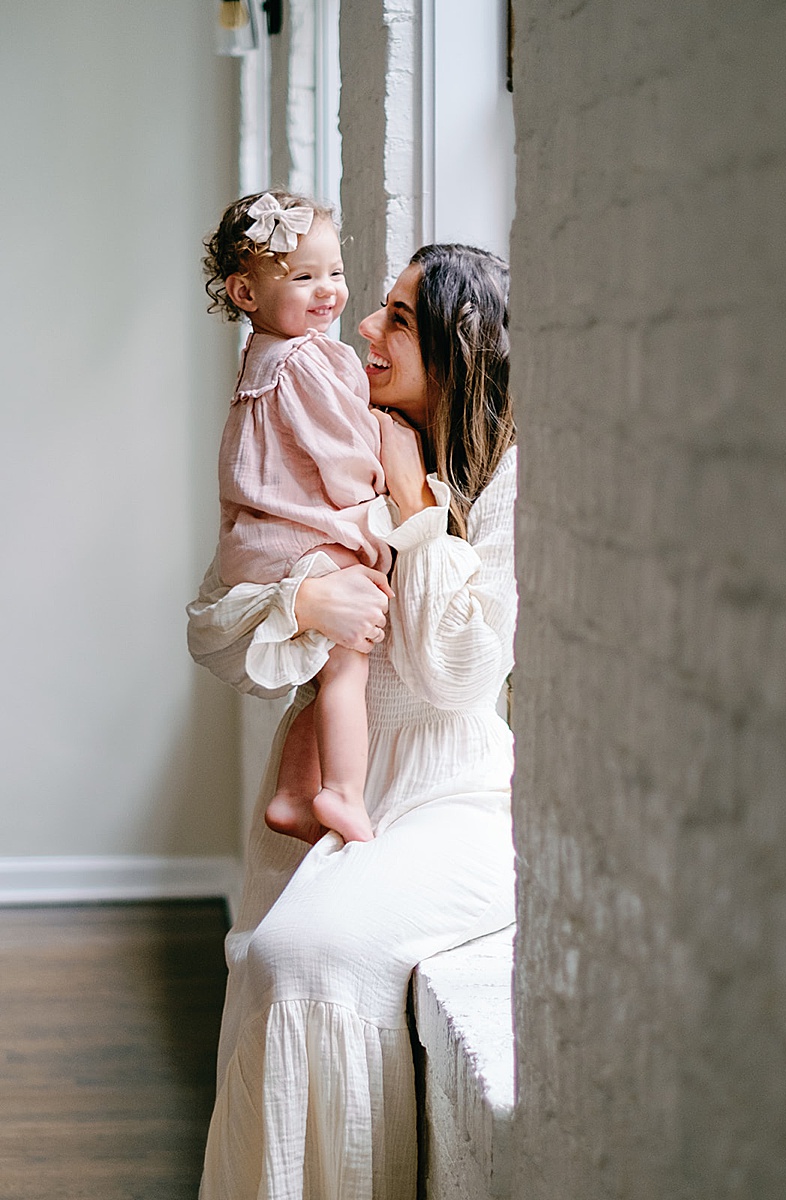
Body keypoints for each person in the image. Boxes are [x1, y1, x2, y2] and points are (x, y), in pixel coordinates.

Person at [187, 242, 517, 1200]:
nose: (365, 328)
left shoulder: (505, 481)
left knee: (303, 957)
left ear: (459, 348)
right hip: (338, 781)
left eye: (400, 319)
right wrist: (304, 607)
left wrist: (414, 497)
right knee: (262, 966)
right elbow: (213, 627)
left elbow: (457, 676)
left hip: (453, 794)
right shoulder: (328, 430)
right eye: (376, 308)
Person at [205, 189, 392, 845]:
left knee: (319, 668)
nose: (328, 292)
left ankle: (290, 792)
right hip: (297, 540)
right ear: (246, 293)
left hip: (254, 542)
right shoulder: (309, 359)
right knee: (348, 661)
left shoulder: (258, 357)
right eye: (304, 276)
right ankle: (340, 791)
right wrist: (377, 494)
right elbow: (339, 454)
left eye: (334, 272)